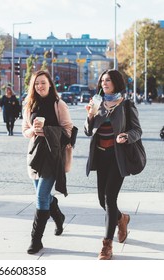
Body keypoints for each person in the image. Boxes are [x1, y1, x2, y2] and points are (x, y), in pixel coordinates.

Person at [84, 69, 142, 260]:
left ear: (116, 82)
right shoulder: (98, 102)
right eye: (102, 81)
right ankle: (122, 218)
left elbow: (137, 130)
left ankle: (106, 246)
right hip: (101, 157)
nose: (104, 83)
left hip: (118, 157)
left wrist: (127, 136)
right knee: (102, 200)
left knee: (110, 198)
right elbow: (87, 131)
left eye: (107, 80)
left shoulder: (126, 104)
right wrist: (90, 115)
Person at [22, 70, 73, 254]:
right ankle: (58, 216)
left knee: (41, 196)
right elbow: (25, 130)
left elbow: (68, 130)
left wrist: (47, 131)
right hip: (35, 155)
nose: (40, 86)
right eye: (37, 84)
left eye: (43, 83)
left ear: (50, 84)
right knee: (42, 195)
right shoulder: (29, 105)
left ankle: (36, 241)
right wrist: (34, 132)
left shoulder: (59, 104)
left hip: (53, 156)